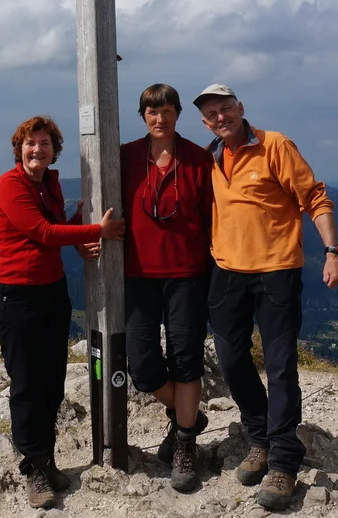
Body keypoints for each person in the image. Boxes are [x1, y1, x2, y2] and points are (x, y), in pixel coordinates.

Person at [193, 84, 338, 511]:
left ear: (241, 108)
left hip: (277, 272)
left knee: (280, 366)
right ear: (205, 122)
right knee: (231, 360)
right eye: (211, 114)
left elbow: (314, 196)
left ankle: (282, 458)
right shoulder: (210, 157)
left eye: (226, 108)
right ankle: (258, 435)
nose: (220, 117)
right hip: (225, 273)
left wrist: (332, 252)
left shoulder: (275, 145)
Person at [0, 115, 125, 510]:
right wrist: (98, 231)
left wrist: (77, 224)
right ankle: (33, 468)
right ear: (19, 148)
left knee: (53, 381)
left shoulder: (48, 182)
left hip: (49, 292)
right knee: (29, 384)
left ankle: (46, 459)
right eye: (31, 143)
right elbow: (42, 233)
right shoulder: (10, 184)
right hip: (14, 296)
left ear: (53, 150)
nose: (37, 150)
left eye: (45, 143)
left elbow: (53, 226)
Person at [119, 84, 214, 492]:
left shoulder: (198, 158)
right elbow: (98, 200)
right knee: (141, 363)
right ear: (143, 116)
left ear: (178, 114)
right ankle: (187, 415)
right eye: (152, 112)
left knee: (186, 357)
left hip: (189, 273)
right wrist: (83, 230)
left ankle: (185, 443)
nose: (161, 118)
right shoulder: (124, 157)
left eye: (168, 111)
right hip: (138, 273)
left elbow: (215, 215)